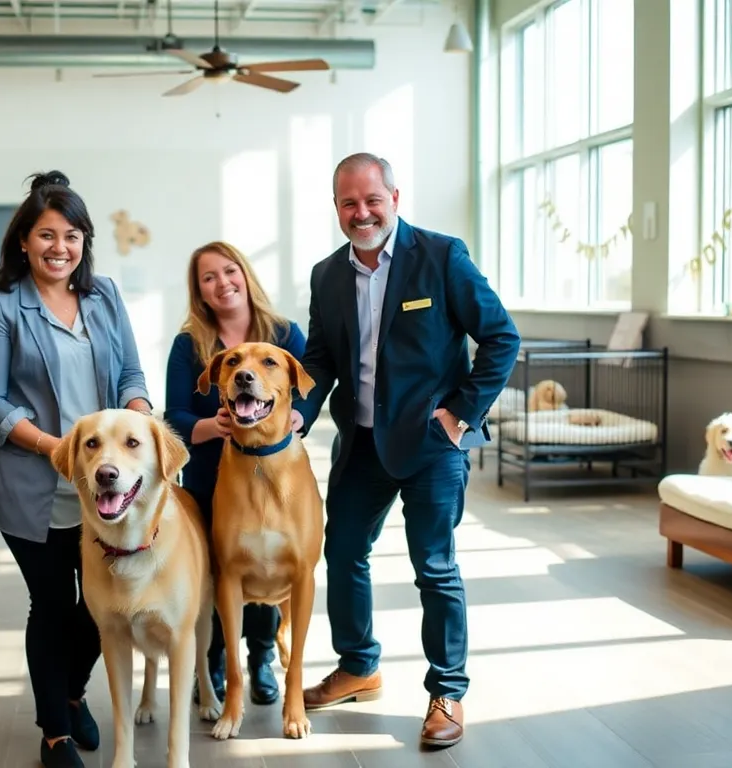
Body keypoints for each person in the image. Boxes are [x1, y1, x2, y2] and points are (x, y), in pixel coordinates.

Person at [292, 153, 520, 749]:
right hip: (360, 443)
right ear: (336, 207)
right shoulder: (326, 275)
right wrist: (299, 410)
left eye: (372, 200)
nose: (361, 212)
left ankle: (447, 690)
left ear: (395, 197)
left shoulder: (442, 256)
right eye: (349, 203)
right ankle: (359, 665)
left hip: (430, 445)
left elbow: (501, 337)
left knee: (434, 568)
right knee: (342, 554)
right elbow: (319, 358)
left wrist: (460, 414)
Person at [0, 170, 153, 768]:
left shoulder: (103, 298)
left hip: (109, 488)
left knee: (103, 607)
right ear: (23, 240)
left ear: (84, 243)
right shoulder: (2, 306)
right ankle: (54, 731)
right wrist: (55, 446)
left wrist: (138, 424)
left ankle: (71, 691)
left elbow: (130, 373)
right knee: (51, 606)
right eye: (47, 235)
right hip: (36, 485)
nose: (59, 248)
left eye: (72, 236)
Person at [162, 241, 305, 708]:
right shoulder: (190, 344)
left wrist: (300, 416)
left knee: (269, 567)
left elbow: (310, 388)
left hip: (279, 473)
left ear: (244, 274)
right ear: (199, 290)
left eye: (229, 271)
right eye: (209, 277)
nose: (222, 283)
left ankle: (262, 657)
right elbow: (175, 413)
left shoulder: (282, 334)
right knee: (221, 572)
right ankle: (219, 660)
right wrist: (212, 425)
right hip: (210, 476)